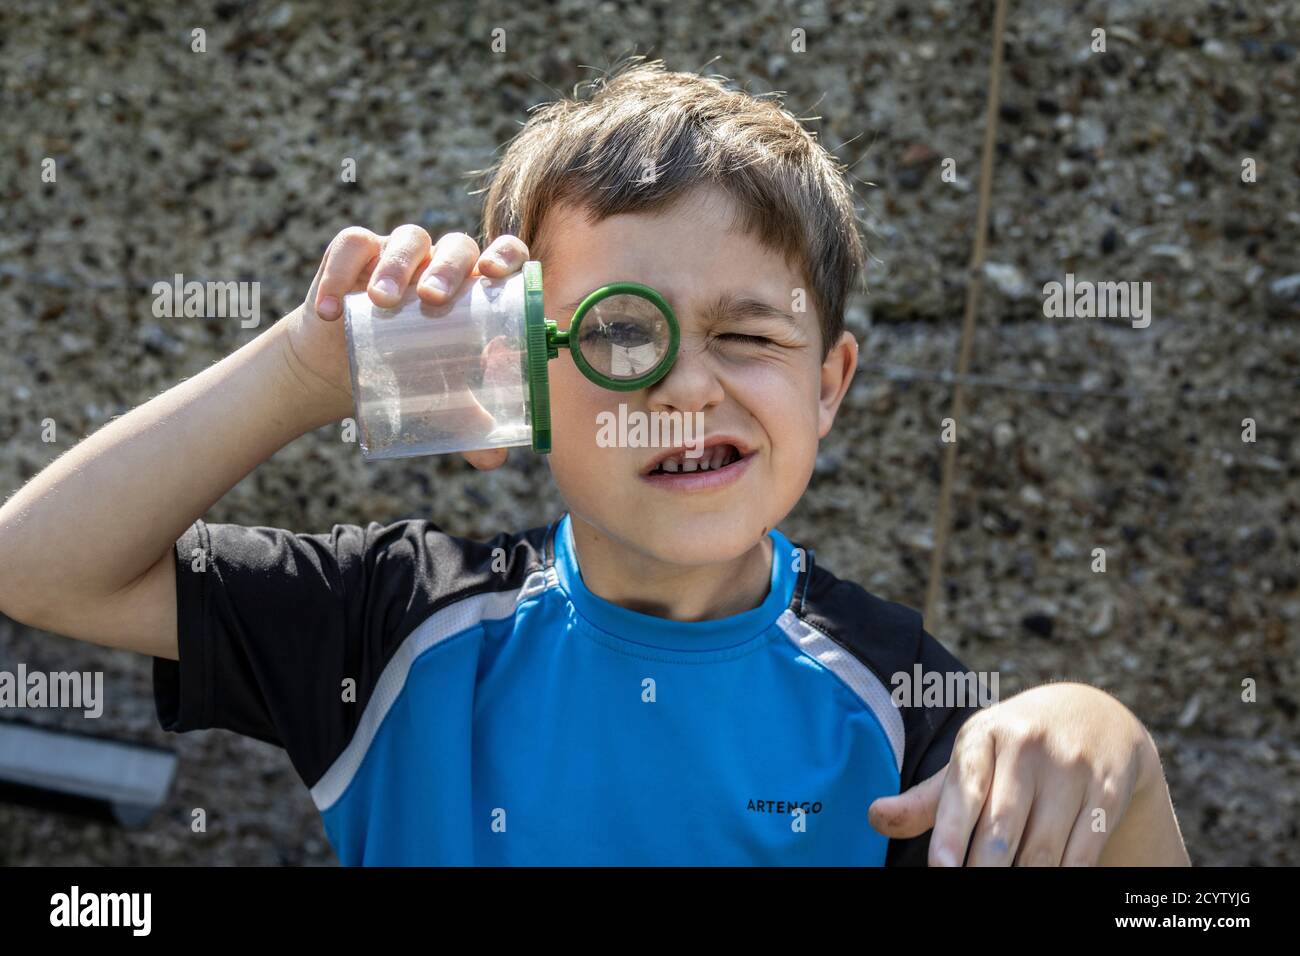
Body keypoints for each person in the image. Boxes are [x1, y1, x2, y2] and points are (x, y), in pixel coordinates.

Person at [0, 60, 1188, 866]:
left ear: (828, 387)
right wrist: (312, 369)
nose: (683, 382)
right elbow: (38, 564)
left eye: (749, 333)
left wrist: (1117, 762)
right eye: (623, 331)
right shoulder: (391, 623)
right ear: (511, 375)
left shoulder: (904, 698)